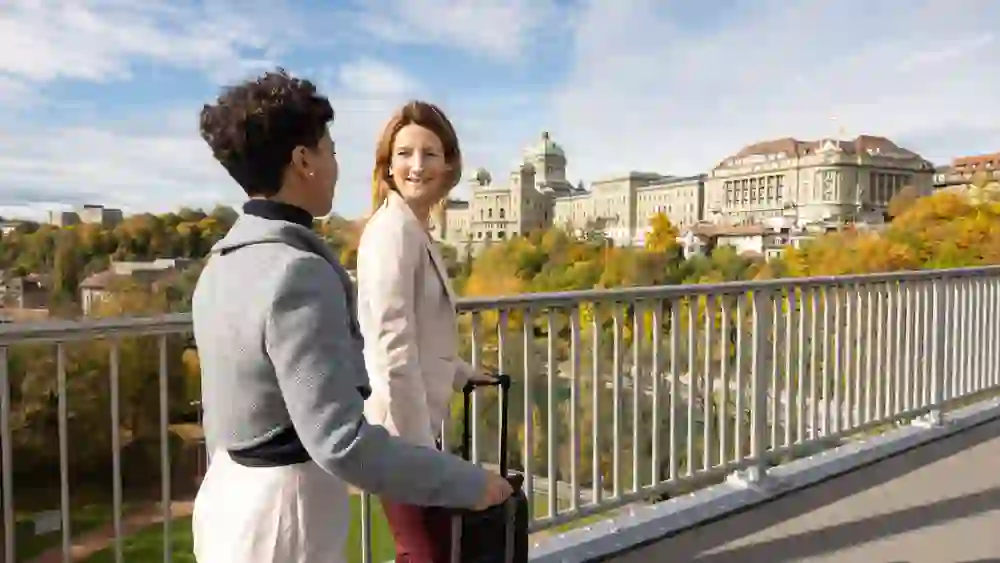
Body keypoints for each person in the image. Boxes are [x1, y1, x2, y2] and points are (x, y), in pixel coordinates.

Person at [190, 71, 512, 563]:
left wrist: (454, 370)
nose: (338, 165)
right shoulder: (296, 271)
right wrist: (466, 481)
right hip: (283, 515)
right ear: (304, 162)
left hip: (228, 498)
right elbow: (340, 440)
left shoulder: (222, 262)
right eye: (331, 150)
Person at [356, 100, 495, 563]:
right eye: (405, 154)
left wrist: (460, 372)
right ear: (388, 167)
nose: (418, 166)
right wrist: (418, 454)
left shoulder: (412, 228)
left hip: (412, 428)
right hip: (400, 432)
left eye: (430, 153)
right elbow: (391, 345)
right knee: (424, 554)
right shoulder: (392, 232)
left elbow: (416, 332)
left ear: (449, 164)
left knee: (425, 552)